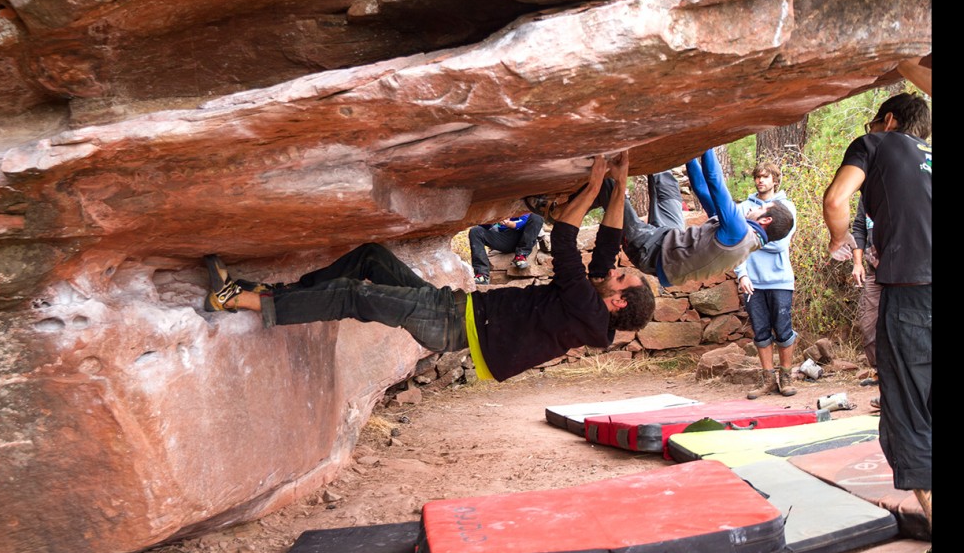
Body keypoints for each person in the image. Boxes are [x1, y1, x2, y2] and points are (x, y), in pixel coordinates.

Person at [202, 154, 656, 383]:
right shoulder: (596, 304)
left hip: (453, 324)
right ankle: (276, 292)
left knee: (354, 295)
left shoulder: (587, 310)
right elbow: (606, 249)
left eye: (619, 278)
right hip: (455, 309)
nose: (611, 273)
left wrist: (593, 187)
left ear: (618, 302)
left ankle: (238, 299)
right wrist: (619, 186)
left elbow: (564, 242)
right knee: (371, 257)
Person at [822, 91, 931, 553]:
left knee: (909, 419)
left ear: (888, 120)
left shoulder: (876, 144)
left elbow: (836, 199)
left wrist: (838, 239)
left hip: (911, 295)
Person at [552, 147, 794, 288]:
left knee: (614, 191)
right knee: (666, 183)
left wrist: (707, 143)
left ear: (765, 221)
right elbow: (702, 190)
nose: (755, 207)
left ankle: (560, 209)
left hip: (651, 252)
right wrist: (688, 153)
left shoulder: (739, 232)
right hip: (672, 239)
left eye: (762, 208)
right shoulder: (743, 239)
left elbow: (715, 181)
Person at [734, 161, 798, 399]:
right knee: (760, 330)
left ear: (775, 180)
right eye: (757, 176)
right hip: (752, 281)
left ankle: (786, 377)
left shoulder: (786, 207)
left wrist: (750, 241)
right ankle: (768, 380)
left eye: (766, 176)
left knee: (783, 329)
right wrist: (742, 274)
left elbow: (780, 244)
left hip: (780, 279)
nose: (760, 180)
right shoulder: (744, 208)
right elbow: (736, 246)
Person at [850, 200, 881, 390]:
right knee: (869, 324)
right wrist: (857, 263)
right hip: (874, 271)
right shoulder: (867, 196)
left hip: (903, 272)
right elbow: (859, 228)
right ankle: (880, 372)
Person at [469, 212, 545, 285]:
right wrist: (494, 219)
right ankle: (482, 275)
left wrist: (508, 223)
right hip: (505, 239)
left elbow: (521, 223)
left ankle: (521, 256)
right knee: (475, 231)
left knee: (537, 217)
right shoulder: (499, 208)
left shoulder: (523, 207)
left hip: (524, 237)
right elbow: (485, 226)